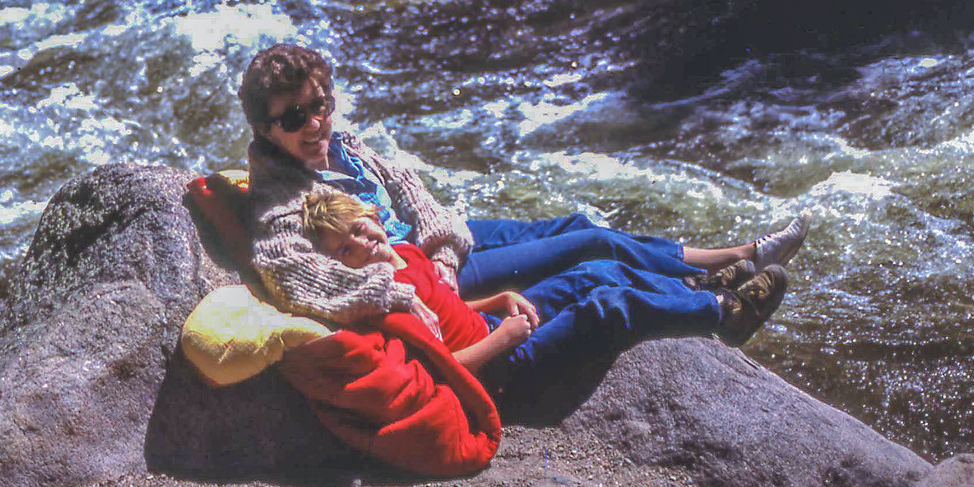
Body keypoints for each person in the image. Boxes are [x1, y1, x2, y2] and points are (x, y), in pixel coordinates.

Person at [240, 43, 809, 334]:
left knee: (576, 227)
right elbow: (295, 276)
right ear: (266, 131)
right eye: (294, 119)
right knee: (591, 250)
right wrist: (410, 285)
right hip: (432, 277)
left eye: (320, 106)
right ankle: (731, 273)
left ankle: (700, 271)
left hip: (437, 249)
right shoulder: (280, 204)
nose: (315, 124)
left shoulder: (340, 145)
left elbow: (408, 191)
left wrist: (440, 241)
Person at [301, 190, 788, 388]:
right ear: (337, 265)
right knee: (606, 307)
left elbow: (448, 305)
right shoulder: (381, 299)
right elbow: (434, 372)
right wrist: (503, 338)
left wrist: (494, 303)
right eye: (347, 249)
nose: (366, 243)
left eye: (364, 228)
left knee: (595, 271)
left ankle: (694, 287)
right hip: (497, 364)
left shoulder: (406, 257)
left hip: (491, 322)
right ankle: (723, 313)